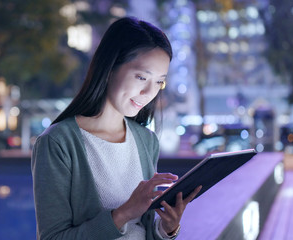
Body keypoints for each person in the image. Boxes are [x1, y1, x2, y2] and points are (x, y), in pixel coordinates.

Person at [31, 17, 201, 239]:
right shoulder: (58, 142)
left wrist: (166, 229)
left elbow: (142, 230)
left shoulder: (146, 140)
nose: (149, 92)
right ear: (110, 67)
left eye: (159, 82)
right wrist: (123, 213)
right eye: (141, 77)